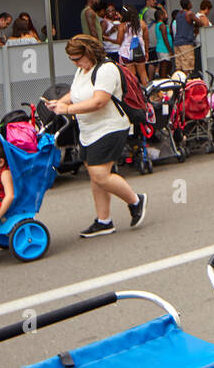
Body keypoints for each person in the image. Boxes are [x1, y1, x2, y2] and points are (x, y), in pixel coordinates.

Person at [44, 34, 148, 238]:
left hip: (110, 127)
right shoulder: (83, 70)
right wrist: (59, 102)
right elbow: (74, 93)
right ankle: (104, 220)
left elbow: (99, 101)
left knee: (100, 174)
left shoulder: (106, 69)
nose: (75, 63)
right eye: (71, 59)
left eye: (77, 58)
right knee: (95, 175)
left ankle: (136, 200)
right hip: (89, 130)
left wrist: (67, 109)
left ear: (89, 53)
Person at [172, 0, 197, 74]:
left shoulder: (178, 14)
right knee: (187, 65)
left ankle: (179, 82)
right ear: (188, 4)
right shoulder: (189, 14)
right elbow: (200, 22)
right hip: (186, 42)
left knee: (179, 65)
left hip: (177, 42)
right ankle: (186, 82)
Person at [151, 7, 172, 78]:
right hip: (163, 48)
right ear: (161, 16)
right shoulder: (162, 26)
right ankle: (164, 80)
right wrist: (170, 49)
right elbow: (165, 38)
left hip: (162, 48)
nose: (166, 16)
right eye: (165, 14)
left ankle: (165, 78)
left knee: (166, 65)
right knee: (164, 66)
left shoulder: (158, 25)